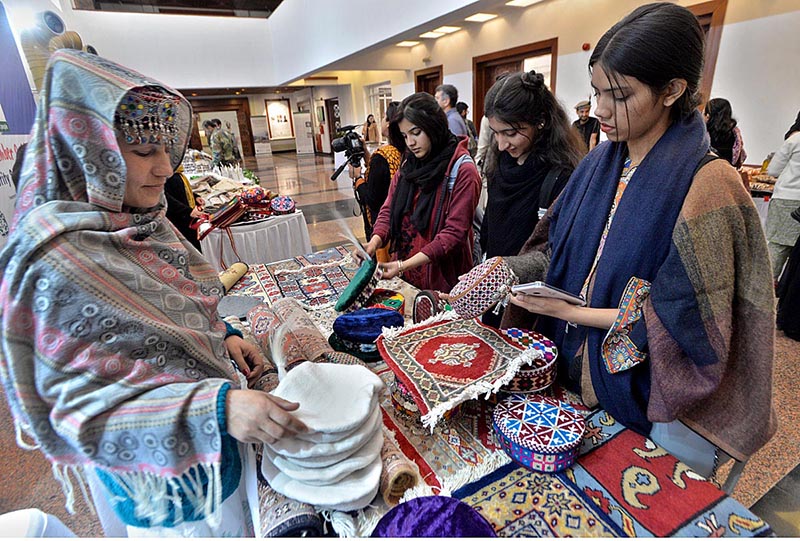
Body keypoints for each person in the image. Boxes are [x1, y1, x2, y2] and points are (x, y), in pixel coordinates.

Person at [0, 50, 307, 536]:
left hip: (218, 455)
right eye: (144, 153)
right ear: (88, 153)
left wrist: (222, 335)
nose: (166, 168)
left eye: (167, 149)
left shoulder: (140, 220)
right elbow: (81, 413)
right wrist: (216, 409)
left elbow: (173, 310)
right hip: (165, 489)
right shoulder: (54, 262)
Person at [505, 3, 775, 476]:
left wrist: (570, 311)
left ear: (672, 90)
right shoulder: (598, 163)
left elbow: (684, 317)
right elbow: (554, 252)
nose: (600, 110)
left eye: (619, 95)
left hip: (648, 399)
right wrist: (507, 271)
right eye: (596, 92)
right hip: (571, 373)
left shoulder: (711, 184)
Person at [361, 92, 480, 292]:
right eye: (405, 136)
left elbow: (453, 234)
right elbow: (389, 209)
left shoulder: (462, 170)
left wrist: (403, 265)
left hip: (443, 281)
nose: (410, 143)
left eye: (416, 133)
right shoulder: (409, 163)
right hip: (406, 272)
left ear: (433, 126)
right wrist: (374, 242)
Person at [480, 70, 584, 262]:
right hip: (493, 276)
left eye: (511, 133)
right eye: (495, 133)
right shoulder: (500, 159)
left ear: (540, 121)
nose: (502, 145)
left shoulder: (561, 175)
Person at [349, 101, 402, 247]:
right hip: (400, 222)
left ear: (390, 123)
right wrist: (366, 154)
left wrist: (358, 178)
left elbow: (371, 198)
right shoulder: (403, 150)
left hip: (381, 226)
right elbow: (382, 176)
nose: (382, 121)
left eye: (385, 117)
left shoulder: (383, 156)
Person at [766, 113, 800, 282]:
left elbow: (773, 170)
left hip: (785, 197)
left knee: (778, 246)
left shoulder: (794, 140)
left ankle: (768, 287)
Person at [164, 165, 204, 251]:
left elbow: (182, 191)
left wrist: (195, 197)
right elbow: (165, 198)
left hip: (185, 216)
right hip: (178, 219)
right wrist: (187, 211)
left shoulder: (177, 173)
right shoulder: (164, 176)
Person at [704, 97, 747, 168]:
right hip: (728, 170)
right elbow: (740, 157)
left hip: (707, 170)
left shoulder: (704, 133)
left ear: (708, 115)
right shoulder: (735, 134)